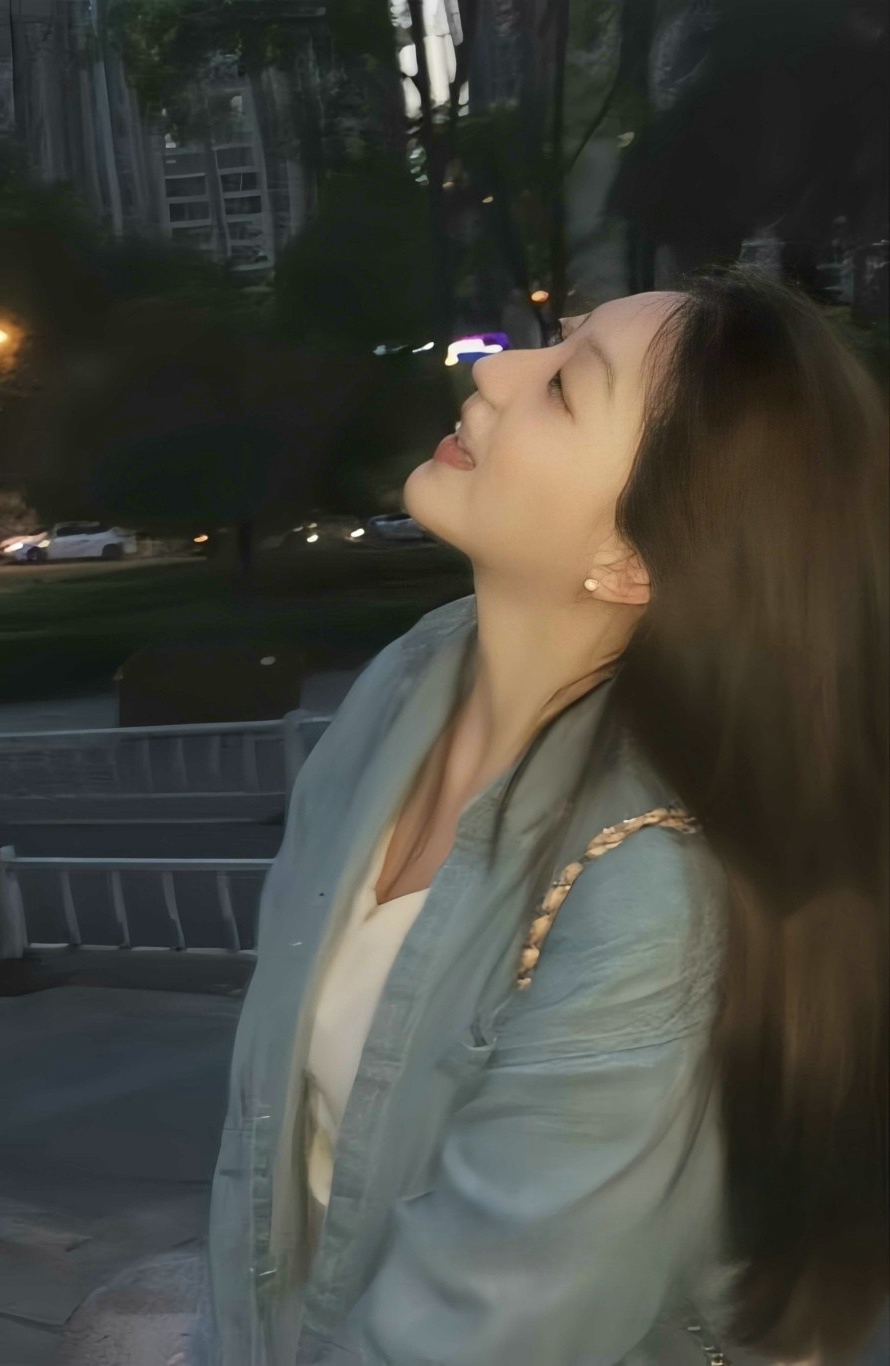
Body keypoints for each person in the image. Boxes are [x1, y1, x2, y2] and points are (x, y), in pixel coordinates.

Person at [195, 266, 888, 1366]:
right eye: (551, 341)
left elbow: (481, 1331)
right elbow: (264, 1152)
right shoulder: (407, 681)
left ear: (632, 561)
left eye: (567, 386)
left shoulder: (653, 900)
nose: (498, 370)